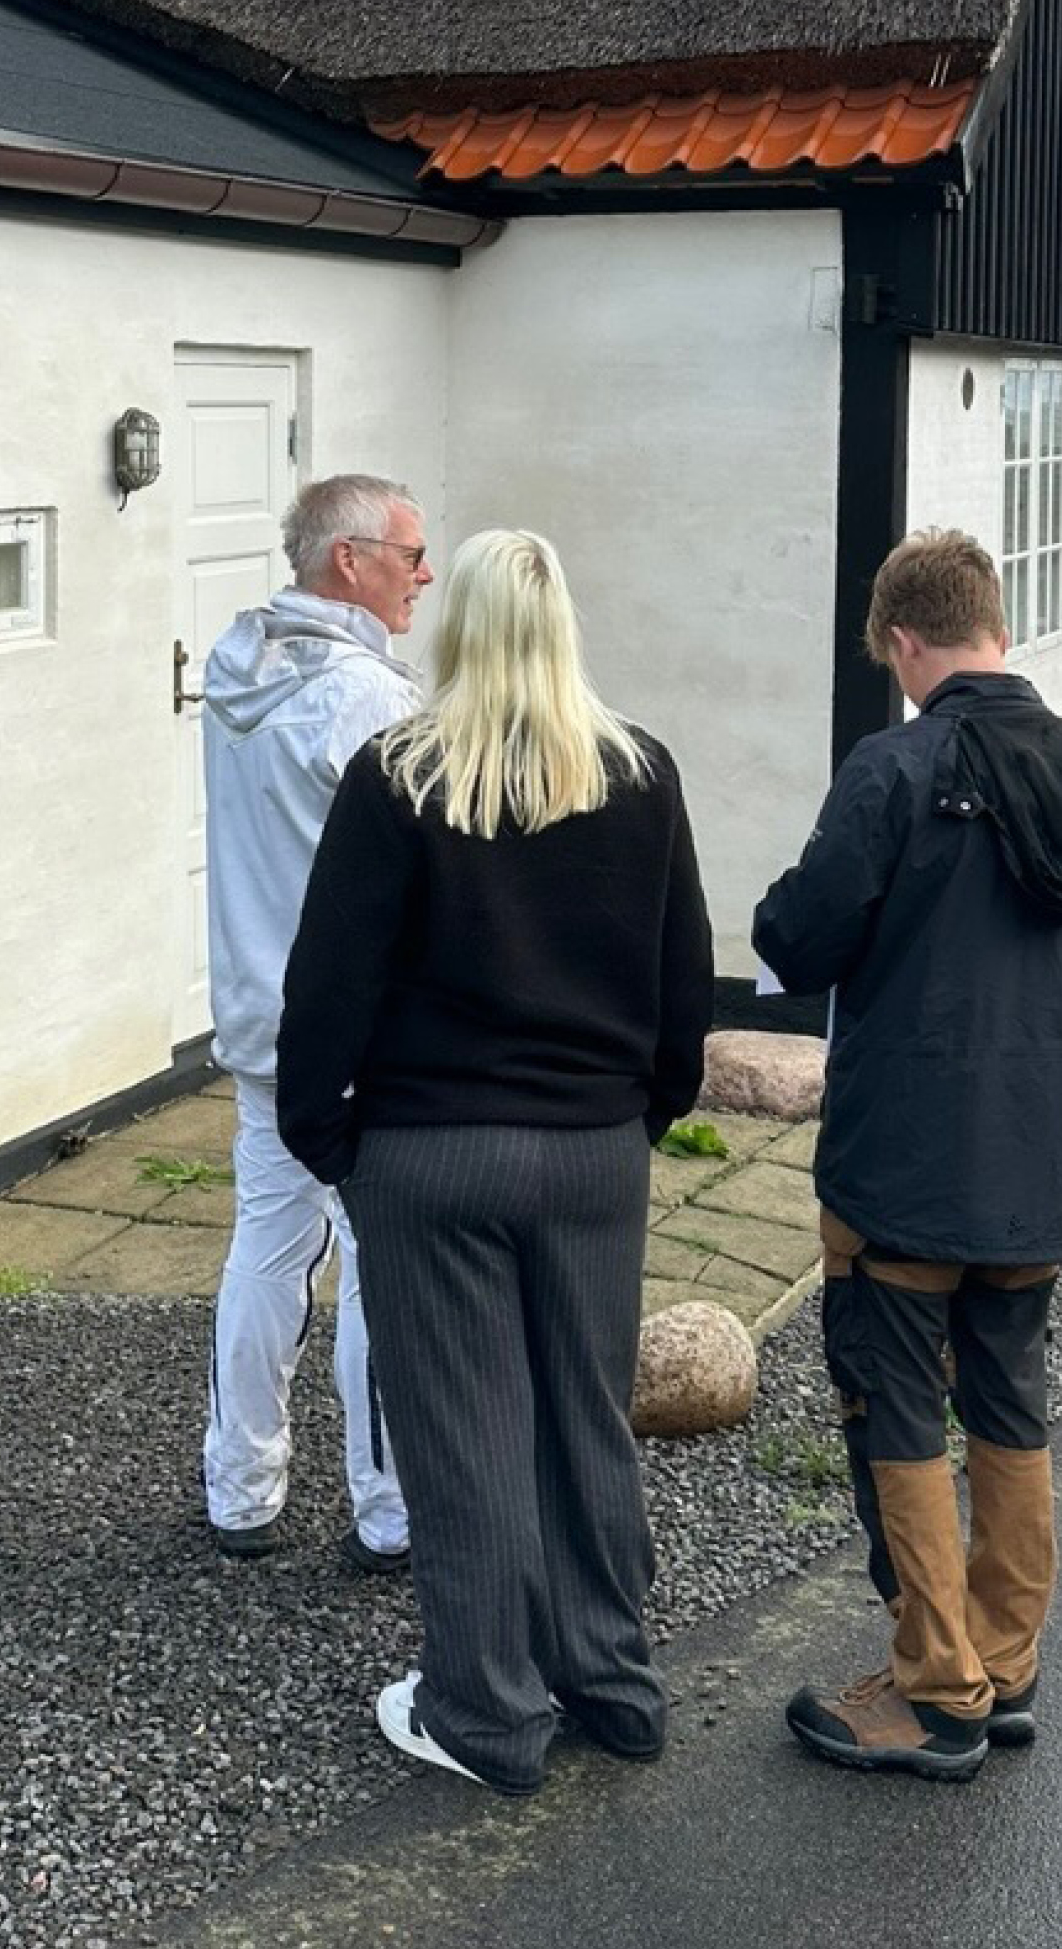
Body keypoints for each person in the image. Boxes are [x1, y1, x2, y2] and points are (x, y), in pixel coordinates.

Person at [275, 529, 714, 1796]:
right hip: (591, 1155)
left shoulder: (397, 774)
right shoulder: (641, 773)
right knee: (587, 1422)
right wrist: (645, 1113)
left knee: (464, 1436)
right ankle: (614, 1683)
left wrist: (329, 1142)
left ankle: (488, 1713)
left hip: (430, 1157)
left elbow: (328, 983)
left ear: (457, 624)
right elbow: (683, 976)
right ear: (562, 623)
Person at [753, 528, 1062, 1782]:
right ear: (1000, 627)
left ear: (902, 642)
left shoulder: (893, 770)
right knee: (1011, 1403)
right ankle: (1004, 1659)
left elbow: (803, 938)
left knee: (895, 1410)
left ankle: (935, 1692)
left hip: (905, 1168)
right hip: (1040, 1165)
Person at [200, 472, 434, 1570]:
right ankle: (390, 1513)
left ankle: (239, 1492)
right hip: (358, 1031)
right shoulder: (365, 701)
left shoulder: (234, 665)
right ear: (350, 561)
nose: (424, 577)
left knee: (267, 1246)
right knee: (381, 1265)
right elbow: (427, 869)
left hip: (258, 1017)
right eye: (410, 555)